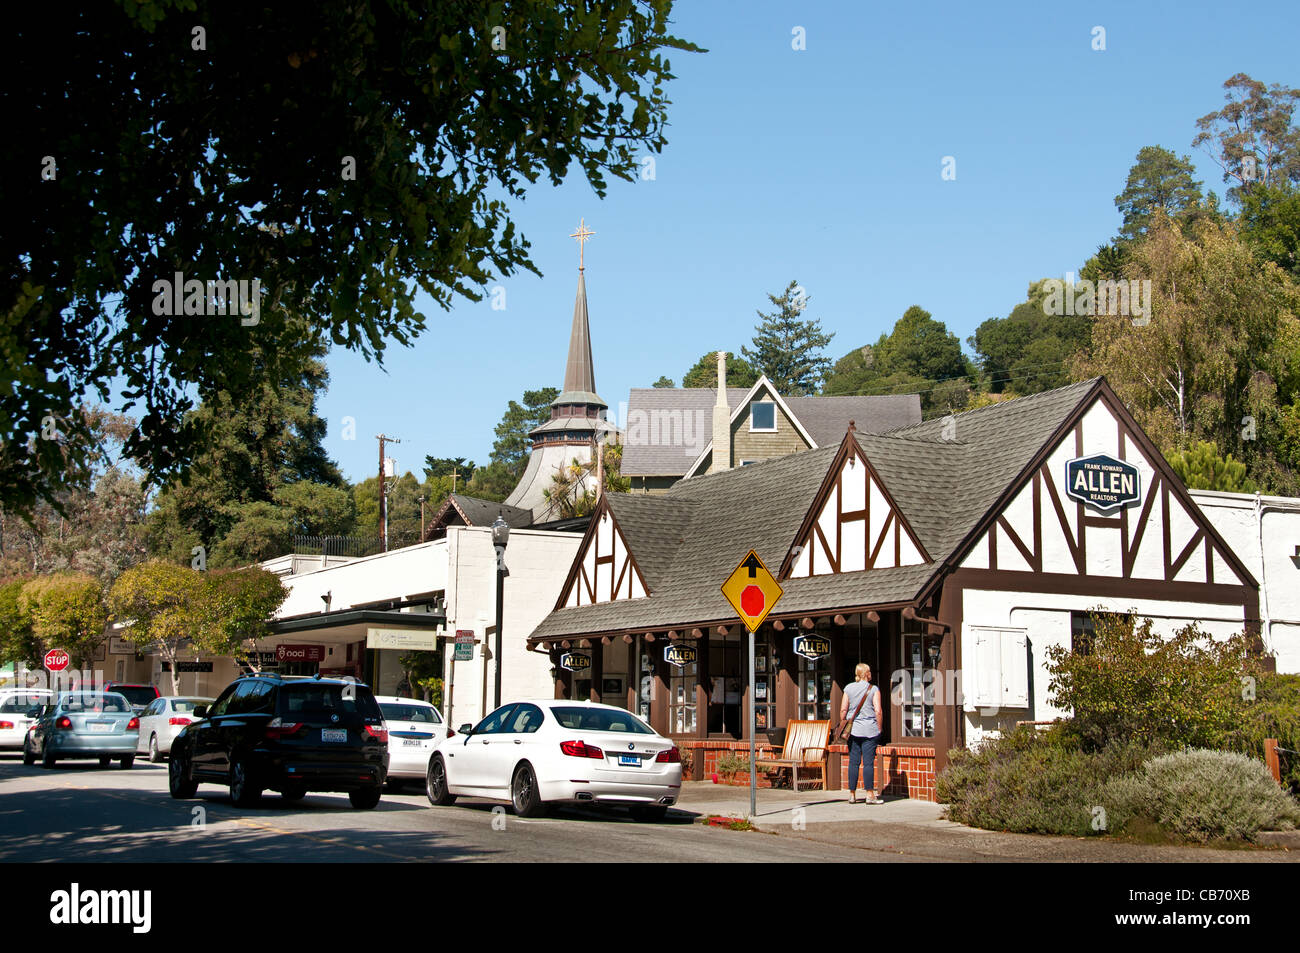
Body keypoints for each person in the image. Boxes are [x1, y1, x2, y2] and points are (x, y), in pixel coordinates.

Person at [840, 662, 884, 804]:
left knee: (853, 762)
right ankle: (870, 794)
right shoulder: (873, 689)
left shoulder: (848, 688)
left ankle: (852, 794)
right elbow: (878, 710)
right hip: (870, 730)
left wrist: (845, 722)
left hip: (853, 731)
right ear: (865, 673)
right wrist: (879, 727)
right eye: (869, 671)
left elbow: (843, 711)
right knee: (868, 763)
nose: (871, 673)